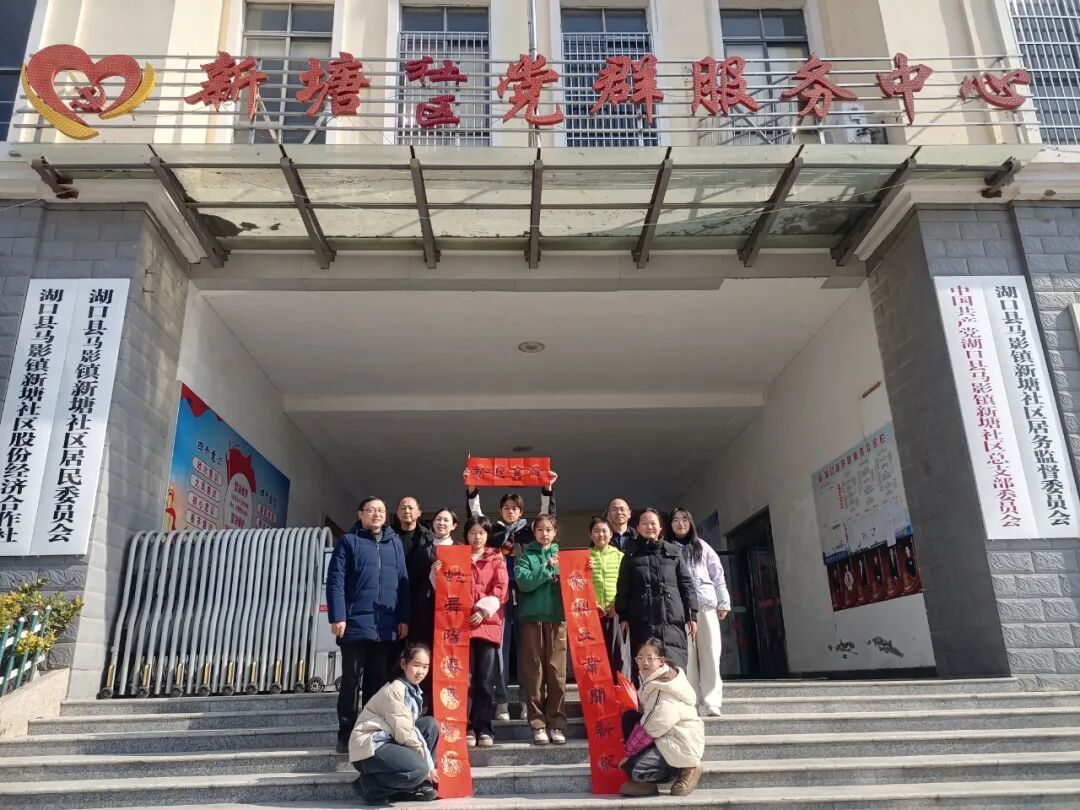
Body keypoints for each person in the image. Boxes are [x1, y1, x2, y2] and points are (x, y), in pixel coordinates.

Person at [465, 470, 557, 720]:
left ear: (521, 511)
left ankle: (527, 700)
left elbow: (546, 517)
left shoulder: (530, 531)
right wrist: (472, 490)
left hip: (527, 596)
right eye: (506, 508)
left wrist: (547, 489)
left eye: (514, 508)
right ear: (500, 511)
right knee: (499, 650)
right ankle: (502, 701)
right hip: (497, 601)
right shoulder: (492, 533)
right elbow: (475, 518)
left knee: (527, 650)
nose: (510, 511)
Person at [327, 496, 411, 754]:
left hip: (385, 626)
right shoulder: (349, 541)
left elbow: (403, 582)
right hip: (355, 625)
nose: (377, 514)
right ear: (360, 514)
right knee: (351, 682)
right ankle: (346, 733)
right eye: (371, 510)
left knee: (377, 683)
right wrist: (338, 616)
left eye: (381, 510)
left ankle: (370, 732)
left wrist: (403, 617)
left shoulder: (394, 543)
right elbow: (336, 580)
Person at [434, 515, 509, 748]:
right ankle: (463, 725)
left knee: (485, 680)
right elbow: (445, 589)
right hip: (459, 625)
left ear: (487, 535)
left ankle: (483, 727)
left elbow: (500, 588)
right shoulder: (456, 556)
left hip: (487, 625)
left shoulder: (496, 558)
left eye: (482, 533)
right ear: (466, 535)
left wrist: (483, 610)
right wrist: (436, 573)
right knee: (461, 678)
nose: (477, 537)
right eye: (473, 532)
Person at [348, 642, 440, 804]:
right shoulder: (396, 690)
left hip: (389, 739)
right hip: (371, 746)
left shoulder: (412, 689)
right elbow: (405, 733)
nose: (421, 671)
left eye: (425, 667)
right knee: (419, 769)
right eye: (416, 665)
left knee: (429, 725)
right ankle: (370, 786)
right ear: (404, 663)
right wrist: (427, 767)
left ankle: (418, 786)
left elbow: (411, 729)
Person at [618, 638, 705, 798]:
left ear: (661, 661)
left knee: (632, 767)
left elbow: (654, 726)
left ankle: (688, 768)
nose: (644, 662)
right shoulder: (652, 679)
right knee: (630, 718)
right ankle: (645, 783)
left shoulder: (664, 687)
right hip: (665, 737)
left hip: (680, 743)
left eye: (650, 658)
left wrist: (629, 755)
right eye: (640, 658)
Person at [615, 508, 698, 676]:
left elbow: (686, 585)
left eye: (653, 523)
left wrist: (692, 615)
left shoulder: (673, 553)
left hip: (671, 622)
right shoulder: (630, 556)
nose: (649, 527)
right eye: (644, 523)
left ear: (660, 527)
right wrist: (623, 616)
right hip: (642, 622)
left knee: (673, 669)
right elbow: (623, 588)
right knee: (646, 669)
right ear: (638, 528)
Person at [670, 507, 730, 717]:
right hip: (680, 608)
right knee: (687, 657)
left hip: (705, 605)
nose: (680, 523)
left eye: (684, 519)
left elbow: (717, 574)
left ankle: (712, 701)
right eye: (676, 520)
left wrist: (723, 602)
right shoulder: (667, 548)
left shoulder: (702, 546)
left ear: (691, 523)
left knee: (711, 653)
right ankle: (691, 701)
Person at [514, 513, 568, 745]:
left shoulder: (564, 558)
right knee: (534, 673)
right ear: (534, 532)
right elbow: (524, 582)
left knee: (557, 674)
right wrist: (546, 569)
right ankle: (537, 725)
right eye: (540, 529)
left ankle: (556, 724)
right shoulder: (525, 557)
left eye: (548, 530)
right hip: (532, 620)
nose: (544, 533)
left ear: (555, 532)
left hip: (558, 620)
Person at [588, 516, 624, 680]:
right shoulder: (585, 557)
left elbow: (625, 584)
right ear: (590, 535)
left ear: (611, 534)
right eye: (596, 531)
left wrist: (617, 605)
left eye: (604, 531)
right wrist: (592, 604)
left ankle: (618, 689)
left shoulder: (620, 556)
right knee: (594, 656)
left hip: (615, 612)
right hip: (592, 614)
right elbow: (579, 585)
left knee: (617, 655)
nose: (600, 535)